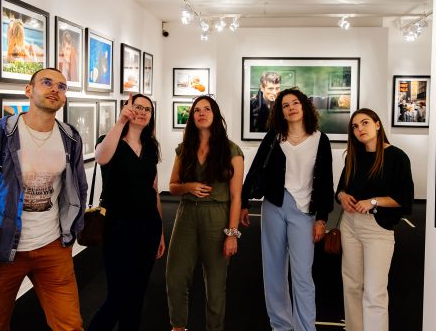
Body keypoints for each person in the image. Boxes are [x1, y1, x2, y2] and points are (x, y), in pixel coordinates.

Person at [0, 68, 87, 331]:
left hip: (53, 246)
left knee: (70, 325)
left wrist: (72, 232)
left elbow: (79, 188)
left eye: (62, 86)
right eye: (47, 82)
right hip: (1, 249)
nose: (55, 89)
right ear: (28, 90)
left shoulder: (70, 137)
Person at [241, 88, 334, 331]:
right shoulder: (274, 136)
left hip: (304, 211)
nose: (291, 107)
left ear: (304, 107)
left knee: (302, 275)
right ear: (280, 112)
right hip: (274, 206)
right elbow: (255, 170)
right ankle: (280, 325)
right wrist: (243, 202)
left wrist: (322, 219)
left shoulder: (319, 139)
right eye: (285, 105)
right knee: (273, 271)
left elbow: (325, 183)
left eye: (295, 103)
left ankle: (305, 327)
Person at [88, 92, 165, 330]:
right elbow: (101, 158)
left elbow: (154, 190)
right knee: (118, 295)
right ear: (127, 109)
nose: (142, 112)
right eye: (137, 107)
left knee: (138, 293)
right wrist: (120, 121)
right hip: (119, 227)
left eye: (147, 109)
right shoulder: (110, 140)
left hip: (148, 227)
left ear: (151, 116)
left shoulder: (151, 147)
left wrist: (160, 230)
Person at [166, 95, 244, 331]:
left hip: (217, 216)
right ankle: (178, 326)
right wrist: (188, 187)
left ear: (216, 114)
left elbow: (236, 197)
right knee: (175, 276)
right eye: (196, 110)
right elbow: (172, 186)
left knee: (215, 282)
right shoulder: (185, 148)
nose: (201, 113)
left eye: (206, 109)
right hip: (186, 214)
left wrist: (232, 234)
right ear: (191, 118)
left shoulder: (232, 150)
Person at [335, 108, 414, 331]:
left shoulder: (397, 157)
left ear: (378, 125)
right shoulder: (354, 156)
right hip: (350, 224)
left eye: (365, 123)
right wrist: (343, 196)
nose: (360, 129)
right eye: (355, 126)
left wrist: (374, 201)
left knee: (374, 291)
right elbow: (340, 188)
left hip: (377, 229)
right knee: (351, 285)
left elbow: (404, 200)